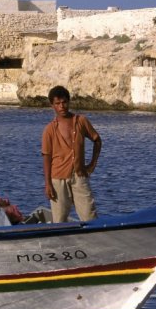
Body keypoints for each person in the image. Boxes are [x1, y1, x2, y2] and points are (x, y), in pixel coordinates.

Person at [41, 86, 102, 223]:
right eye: (57, 103)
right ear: (52, 106)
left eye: (64, 102)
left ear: (69, 102)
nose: (61, 106)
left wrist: (92, 164)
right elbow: (46, 157)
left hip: (79, 176)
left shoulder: (81, 121)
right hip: (57, 179)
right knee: (59, 221)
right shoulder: (49, 130)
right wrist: (48, 184)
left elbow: (97, 140)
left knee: (90, 217)